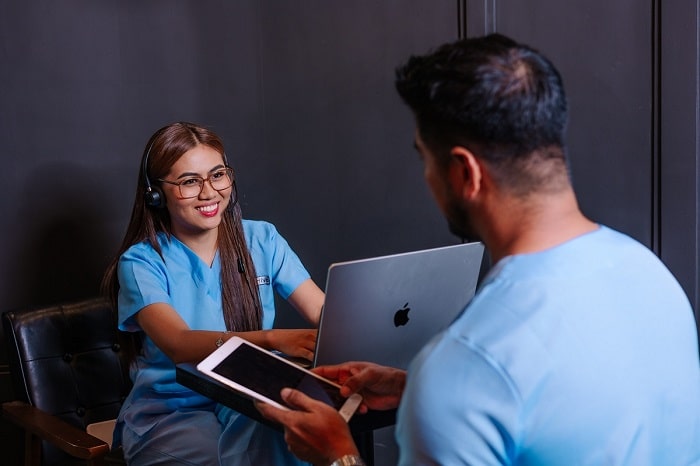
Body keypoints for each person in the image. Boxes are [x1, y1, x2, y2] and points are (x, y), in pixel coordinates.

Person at [256, 34, 700, 465]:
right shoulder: (651, 274)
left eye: (425, 160)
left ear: (465, 172)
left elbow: (490, 385)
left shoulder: (466, 364)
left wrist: (339, 456)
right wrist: (413, 390)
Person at [102, 121, 325, 465]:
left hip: (249, 396)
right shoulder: (141, 262)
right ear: (156, 193)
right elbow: (178, 343)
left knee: (301, 446)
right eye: (190, 181)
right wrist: (272, 339)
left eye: (217, 175)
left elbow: (323, 312)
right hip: (175, 410)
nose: (209, 192)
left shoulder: (262, 240)